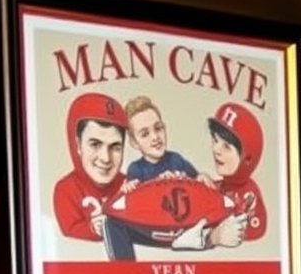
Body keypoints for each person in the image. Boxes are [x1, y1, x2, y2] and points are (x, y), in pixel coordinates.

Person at [52, 92, 127, 242]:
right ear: (78, 144)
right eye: (95, 144)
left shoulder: (132, 185)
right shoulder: (66, 191)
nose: (106, 158)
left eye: (115, 147)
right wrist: (92, 229)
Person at [207, 101, 267, 242]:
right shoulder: (216, 186)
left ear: (247, 158)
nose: (216, 149)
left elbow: (253, 230)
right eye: (215, 140)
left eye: (226, 146)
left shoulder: (249, 195)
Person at [123, 96, 202, 185]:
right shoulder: (136, 169)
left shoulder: (176, 159)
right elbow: (134, 194)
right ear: (134, 143)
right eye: (145, 134)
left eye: (158, 128)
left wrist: (201, 177)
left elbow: (197, 180)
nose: (155, 137)